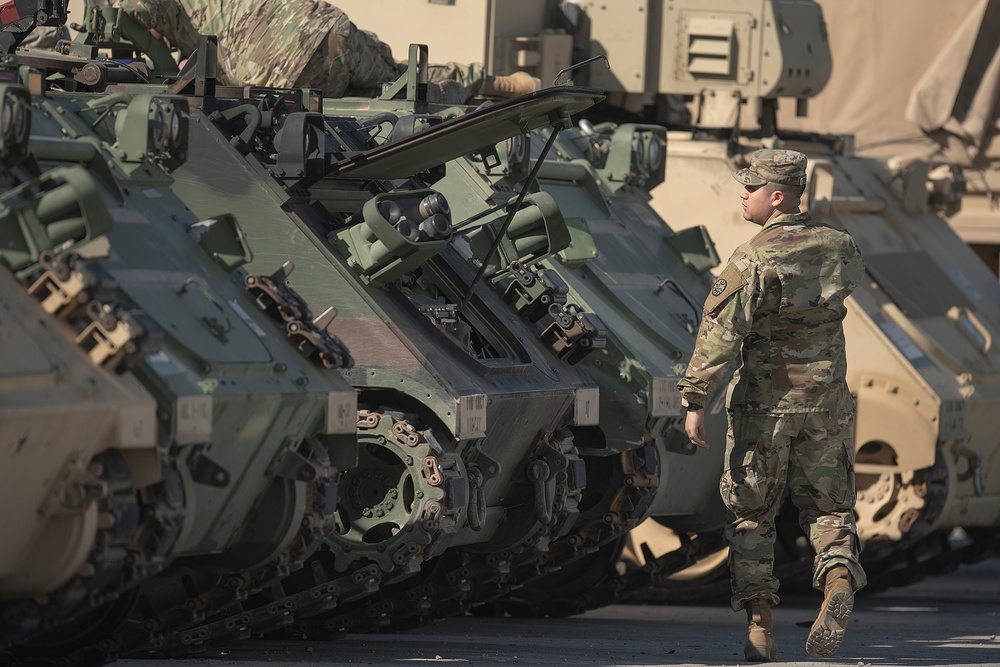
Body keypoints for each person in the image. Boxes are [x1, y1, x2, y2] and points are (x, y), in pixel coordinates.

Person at [677, 149, 867, 662]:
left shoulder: (753, 258)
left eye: (751, 187)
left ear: (776, 196)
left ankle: (760, 629)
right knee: (829, 506)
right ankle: (838, 580)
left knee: (751, 515)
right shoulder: (839, 246)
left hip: (766, 407)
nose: (742, 194)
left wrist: (695, 401)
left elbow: (719, 336)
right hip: (826, 404)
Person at [113, 0, 540, 102]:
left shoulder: (161, 13)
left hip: (270, 78)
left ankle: (487, 83)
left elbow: (134, 11)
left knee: (386, 91)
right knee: (399, 80)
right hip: (316, 31)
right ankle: (492, 82)